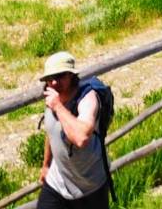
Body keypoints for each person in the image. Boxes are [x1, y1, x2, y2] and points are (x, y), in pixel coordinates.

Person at [38, 52, 111, 209]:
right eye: (49, 79)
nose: (54, 82)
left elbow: (81, 138)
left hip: (90, 186)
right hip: (57, 183)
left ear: (71, 75)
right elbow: (51, 131)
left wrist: (57, 106)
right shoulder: (53, 98)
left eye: (60, 75)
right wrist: (46, 165)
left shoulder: (87, 99)